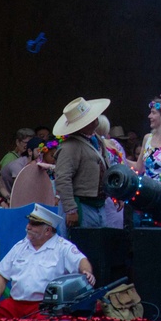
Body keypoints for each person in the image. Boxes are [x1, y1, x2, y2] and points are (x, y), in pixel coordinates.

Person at [0, 204, 95, 318]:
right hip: (15, 303)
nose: (28, 227)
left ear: (47, 230)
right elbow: (2, 275)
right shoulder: (20, 246)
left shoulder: (63, 247)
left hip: (44, 306)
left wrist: (86, 272)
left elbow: (82, 261)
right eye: (29, 222)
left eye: (34, 224)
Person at [53, 96, 112, 229]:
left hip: (98, 204)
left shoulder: (98, 140)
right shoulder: (70, 147)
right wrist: (71, 209)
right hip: (81, 205)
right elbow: (63, 178)